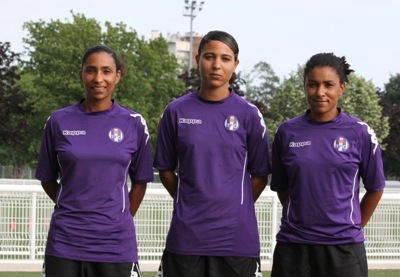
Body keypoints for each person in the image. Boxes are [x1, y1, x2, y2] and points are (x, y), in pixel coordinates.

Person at [153, 30, 271, 277]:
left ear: (235, 65)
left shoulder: (249, 115)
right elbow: (165, 168)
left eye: (225, 59)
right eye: (209, 57)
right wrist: (190, 199)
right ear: (197, 59)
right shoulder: (176, 112)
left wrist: (233, 205)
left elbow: (260, 174)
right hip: (187, 237)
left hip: (236, 240)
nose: (216, 65)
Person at [35, 45, 154, 277]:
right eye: (91, 70)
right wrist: (71, 204)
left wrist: (119, 217)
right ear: (81, 74)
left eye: (106, 71)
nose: (98, 78)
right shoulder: (58, 121)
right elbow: (47, 178)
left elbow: (140, 182)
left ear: (117, 76)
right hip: (65, 242)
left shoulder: (134, 123)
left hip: (116, 245)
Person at [270, 52, 385, 277]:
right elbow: (282, 188)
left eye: (328, 85)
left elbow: (375, 189)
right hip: (294, 246)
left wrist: (351, 226)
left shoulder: (360, 132)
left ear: (341, 88)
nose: (320, 92)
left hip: (344, 249)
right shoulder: (287, 132)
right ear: (304, 87)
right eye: (312, 84)